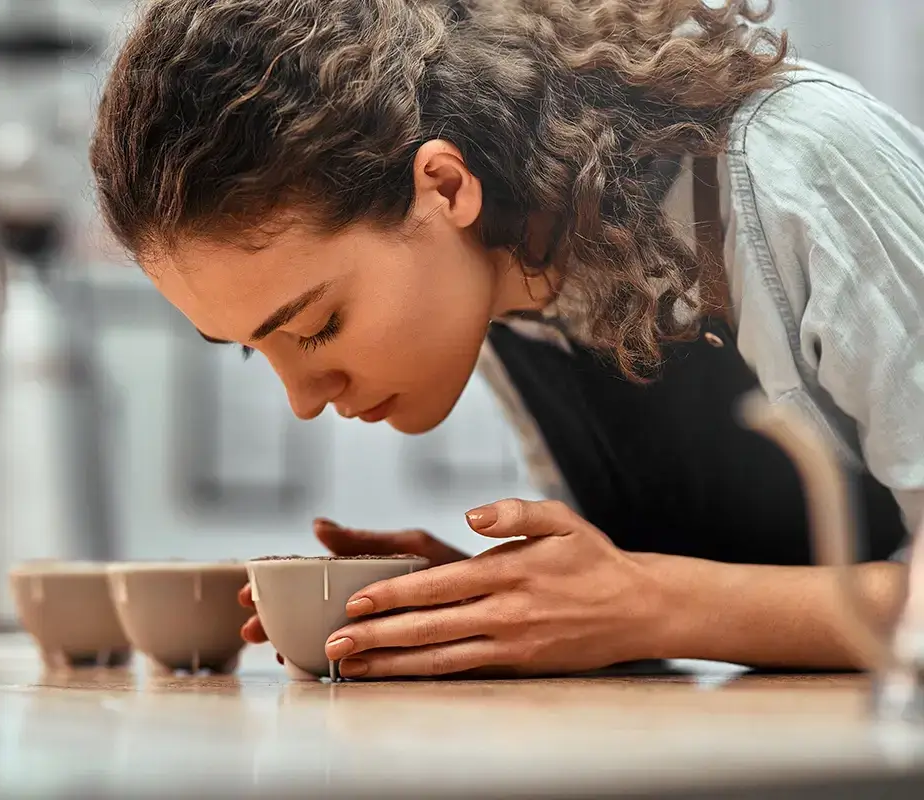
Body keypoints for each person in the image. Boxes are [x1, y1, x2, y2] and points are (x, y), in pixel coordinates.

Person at [90, 0, 924, 678]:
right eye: (246, 345)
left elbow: (675, 602)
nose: (304, 401)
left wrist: (649, 605)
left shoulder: (797, 165)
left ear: (445, 186)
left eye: (318, 326)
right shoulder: (507, 280)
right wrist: (503, 605)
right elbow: (700, 602)